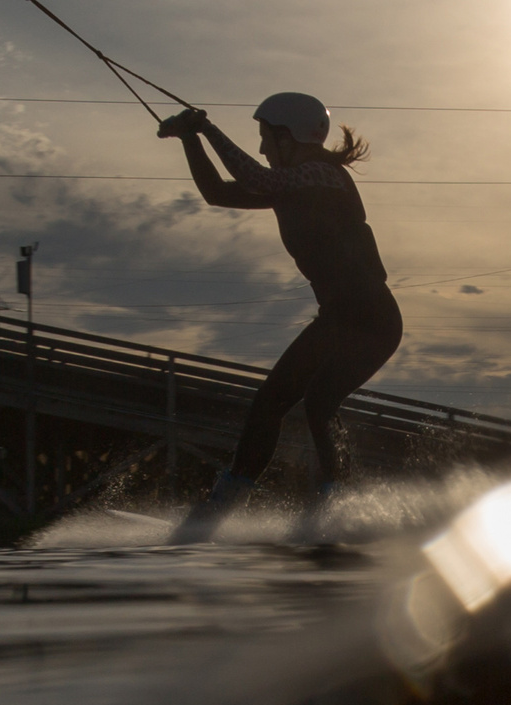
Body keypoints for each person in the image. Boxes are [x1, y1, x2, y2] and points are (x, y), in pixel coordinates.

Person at [159, 92, 403, 542]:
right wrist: (189, 138)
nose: (262, 149)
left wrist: (207, 128)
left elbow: (252, 174)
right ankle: (238, 504)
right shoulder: (292, 188)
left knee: (301, 403)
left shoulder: (323, 175)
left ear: (288, 136)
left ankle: (330, 504)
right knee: (292, 403)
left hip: (370, 317)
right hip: (343, 316)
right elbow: (216, 193)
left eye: (266, 138)